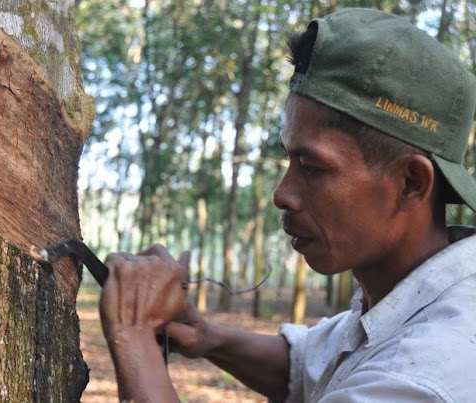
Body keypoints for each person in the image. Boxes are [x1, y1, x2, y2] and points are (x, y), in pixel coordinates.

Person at [98, 8, 476, 402]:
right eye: (289, 159)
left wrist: (133, 333)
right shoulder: (404, 301)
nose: (282, 194)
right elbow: (308, 363)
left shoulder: (429, 377)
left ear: (411, 183)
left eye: (312, 167)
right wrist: (206, 335)